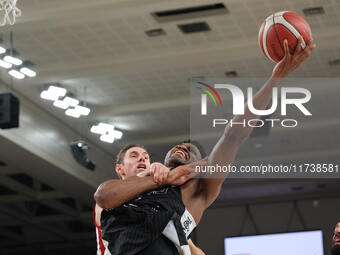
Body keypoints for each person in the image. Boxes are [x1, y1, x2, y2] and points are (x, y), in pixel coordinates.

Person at [95, 38, 315, 254]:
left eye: (191, 151)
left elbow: (233, 136)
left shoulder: (198, 190)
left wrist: (276, 78)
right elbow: (103, 196)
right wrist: (160, 178)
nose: (183, 148)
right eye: (178, 146)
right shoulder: (139, 186)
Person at [94, 144, 205, 255]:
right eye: (134, 156)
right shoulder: (109, 198)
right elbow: (105, 202)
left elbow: (191, 247)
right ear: (120, 168)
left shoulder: (154, 202)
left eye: (146, 157)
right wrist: (160, 177)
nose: (142, 158)